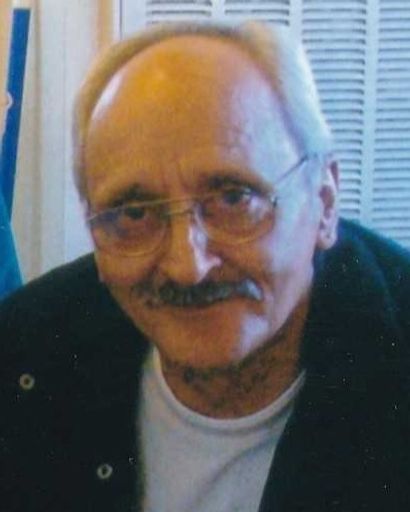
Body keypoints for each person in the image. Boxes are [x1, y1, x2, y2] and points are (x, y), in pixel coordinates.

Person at [0, 21, 409, 512]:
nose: (186, 266)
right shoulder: (23, 356)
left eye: (234, 199)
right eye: (135, 213)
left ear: (323, 202)